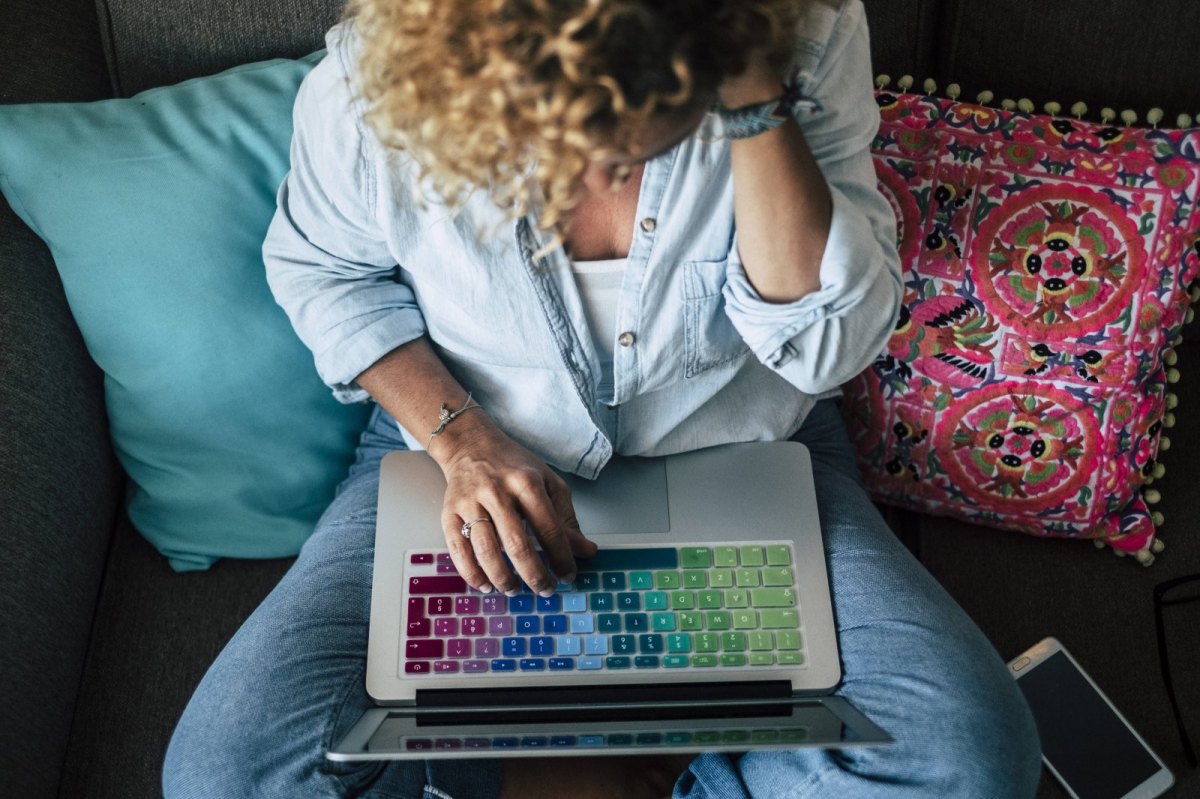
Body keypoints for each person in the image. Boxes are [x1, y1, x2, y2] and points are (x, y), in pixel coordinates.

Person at [163, 0, 1043, 796]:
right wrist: (462, 438)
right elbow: (324, 272)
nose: (593, 173)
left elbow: (822, 348)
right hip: (452, 443)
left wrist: (748, 91)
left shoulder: (807, 33)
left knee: (970, 759)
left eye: (635, 142)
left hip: (743, 446)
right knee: (223, 777)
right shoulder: (371, 78)